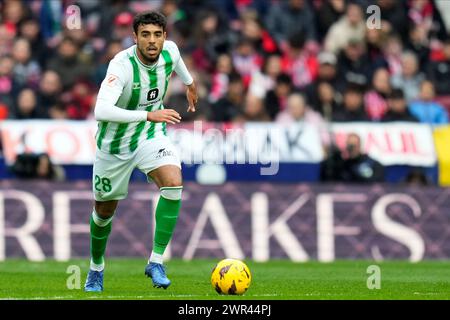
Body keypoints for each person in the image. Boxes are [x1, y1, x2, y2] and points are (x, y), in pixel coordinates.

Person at [84, 12, 198, 293]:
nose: (152, 41)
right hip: (114, 147)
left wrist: (190, 84)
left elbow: (179, 62)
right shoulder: (121, 66)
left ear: (164, 37)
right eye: (145, 35)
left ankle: (156, 261)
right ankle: (96, 267)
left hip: (149, 137)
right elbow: (101, 110)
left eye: (157, 35)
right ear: (134, 37)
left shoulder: (169, 51)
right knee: (103, 212)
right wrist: (148, 115)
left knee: (173, 182)